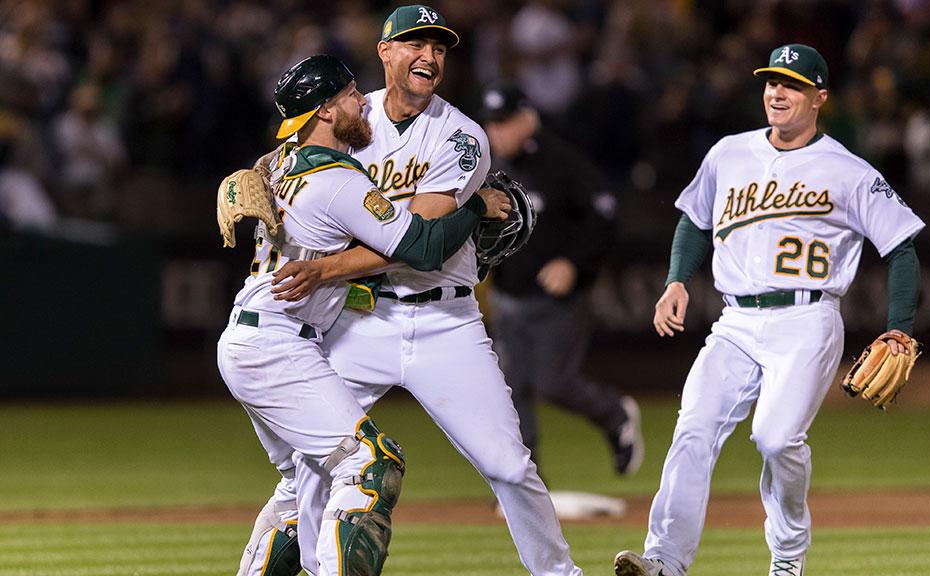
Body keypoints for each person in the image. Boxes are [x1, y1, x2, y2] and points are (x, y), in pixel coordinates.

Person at [270, 6, 584, 575]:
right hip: (359, 321)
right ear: (385, 51)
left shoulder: (461, 136)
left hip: (445, 324)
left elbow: (420, 242)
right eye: (416, 44)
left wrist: (325, 268)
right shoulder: (351, 114)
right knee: (316, 462)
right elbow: (291, 162)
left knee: (510, 465)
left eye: (439, 48)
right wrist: (255, 177)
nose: (430, 56)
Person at [613, 44, 925, 576]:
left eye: (792, 85)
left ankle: (787, 554)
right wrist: (676, 281)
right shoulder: (728, 153)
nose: (777, 93)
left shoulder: (848, 170)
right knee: (693, 428)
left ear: (819, 97)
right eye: (771, 82)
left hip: (807, 319)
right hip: (735, 321)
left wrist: (899, 328)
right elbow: (694, 219)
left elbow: (902, 248)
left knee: (776, 438)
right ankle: (664, 559)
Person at [218, 53, 510, 576]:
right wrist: (474, 207)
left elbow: (270, 164)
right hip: (279, 344)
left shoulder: (283, 162)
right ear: (326, 112)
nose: (362, 101)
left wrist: (242, 171)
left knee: (299, 485)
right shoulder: (337, 179)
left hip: (255, 338)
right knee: (369, 464)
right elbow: (421, 247)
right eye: (350, 95)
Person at [478, 82, 643, 476]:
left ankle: (614, 413)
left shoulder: (561, 162)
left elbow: (604, 216)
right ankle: (527, 484)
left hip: (555, 302)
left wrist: (573, 262)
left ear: (527, 120)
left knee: (553, 383)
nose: (497, 132)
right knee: (509, 394)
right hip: (507, 297)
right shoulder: (488, 168)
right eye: (492, 124)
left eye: (505, 122)